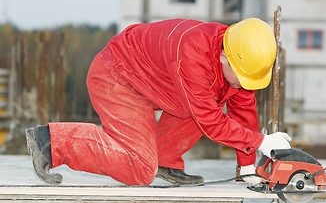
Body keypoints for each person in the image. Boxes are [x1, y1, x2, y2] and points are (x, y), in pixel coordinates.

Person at [25, 18, 292, 186]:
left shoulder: (239, 56)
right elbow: (211, 122)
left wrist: (247, 168)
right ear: (224, 56)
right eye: (243, 78)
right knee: (139, 170)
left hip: (155, 84)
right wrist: (261, 142)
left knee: (211, 98)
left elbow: (243, 110)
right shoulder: (193, 55)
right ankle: (51, 141)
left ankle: (164, 160)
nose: (246, 86)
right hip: (118, 77)